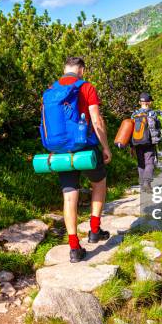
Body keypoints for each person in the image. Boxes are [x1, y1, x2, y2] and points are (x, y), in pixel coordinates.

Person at [56, 57, 112, 263]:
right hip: (85, 147)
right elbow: (96, 119)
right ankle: (95, 230)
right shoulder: (85, 87)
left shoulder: (53, 89)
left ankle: (74, 248)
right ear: (80, 70)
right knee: (99, 182)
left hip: (61, 149)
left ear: (65, 69)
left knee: (69, 195)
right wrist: (105, 147)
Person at [131, 92, 162, 193]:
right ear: (149, 102)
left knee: (141, 163)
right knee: (149, 162)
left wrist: (131, 145)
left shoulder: (134, 114)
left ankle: (141, 185)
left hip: (137, 142)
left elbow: (130, 130)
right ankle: (147, 183)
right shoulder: (152, 113)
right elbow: (157, 126)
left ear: (140, 102)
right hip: (149, 142)